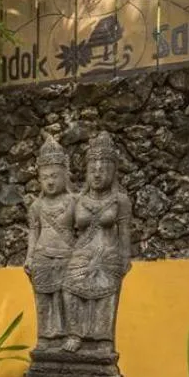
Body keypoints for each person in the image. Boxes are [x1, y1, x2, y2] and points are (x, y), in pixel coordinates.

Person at [63, 131, 132, 360]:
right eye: (93, 169)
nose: (97, 173)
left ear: (112, 172)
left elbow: (124, 233)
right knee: (70, 288)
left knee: (105, 295)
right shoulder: (78, 200)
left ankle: (103, 339)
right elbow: (66, 230)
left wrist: (124, 258)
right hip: (81, 253)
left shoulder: (119, 200)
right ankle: (75, 334)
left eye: (103, 169)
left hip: (108, 254)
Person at [25, 135, 76, 351]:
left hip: (67, 255)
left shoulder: (73, 201)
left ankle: (72, 335)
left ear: (65, 175)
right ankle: (46, 337)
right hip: (42, 256)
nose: (50, 181)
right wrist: (29, 256)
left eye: (55, 176)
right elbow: (33, 232)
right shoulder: (36, 206)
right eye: (45, 177)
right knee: (44, 299)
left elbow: (83, 230)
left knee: (69, 297)